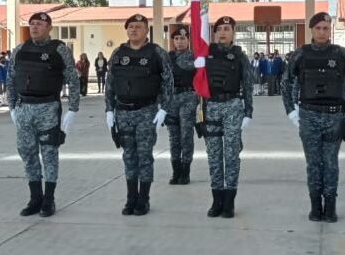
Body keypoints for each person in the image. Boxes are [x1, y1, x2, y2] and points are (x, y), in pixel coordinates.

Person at [282, 12, 345, 223]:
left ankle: (330, 207)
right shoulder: (301, 54)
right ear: (312, 30)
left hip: (334, 116)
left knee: (331, 163)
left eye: (325, 28)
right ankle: (316, 207)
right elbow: (286, 82)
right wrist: (291, 110)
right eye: (318, 28)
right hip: (308, 115)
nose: (321, 32)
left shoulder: (341, 54)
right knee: (313, 164)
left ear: (330, 30)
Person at [7, 12, 80, 218]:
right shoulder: (20, 50)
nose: (34, 27)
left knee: (49, 153)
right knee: (27, 153)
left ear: (49, 27)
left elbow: (73, 79)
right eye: (31, 24)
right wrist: (11, 107)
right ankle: (35, 198)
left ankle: (49, 199)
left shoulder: (59, 50)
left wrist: (73, 108)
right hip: (24, 108)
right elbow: (10, 79)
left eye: (39, 24)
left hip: (48, 107)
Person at [104, 14, 173, 217]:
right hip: (123, 111)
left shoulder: (157, 53)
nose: (134, 30)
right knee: (128, 156)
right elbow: (110, 83)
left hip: (146, 111)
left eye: (138, 26)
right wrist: (109, 109)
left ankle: (143, 199)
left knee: (144, 156)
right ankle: (131, 198)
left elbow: (168, 83)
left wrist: (164, 108)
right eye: (131, 26)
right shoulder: (118, 53)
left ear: (146, 30)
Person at [200, 16, 253, 219]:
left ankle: (229, 201)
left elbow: (247, 85)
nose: (222, 32)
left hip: (232, 106)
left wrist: (248, 112)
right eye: (219, 29)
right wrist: (196, 63)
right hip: (211, 106)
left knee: (231, 155)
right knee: (214, 155)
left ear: (233, 33)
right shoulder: (205, 54)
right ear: (214, 33)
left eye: (227, 29)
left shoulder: (240, 56)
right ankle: (217, 200)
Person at [167, 25, 198, 185]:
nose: (179, 41)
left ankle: (185, 172)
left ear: (188, 40)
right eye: (176, 38)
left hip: (189, 98)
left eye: (183, 38)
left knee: (186, 135)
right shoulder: (167, 58)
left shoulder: (195, 57)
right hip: (171, 100)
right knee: (173, 137)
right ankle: (176, 171)